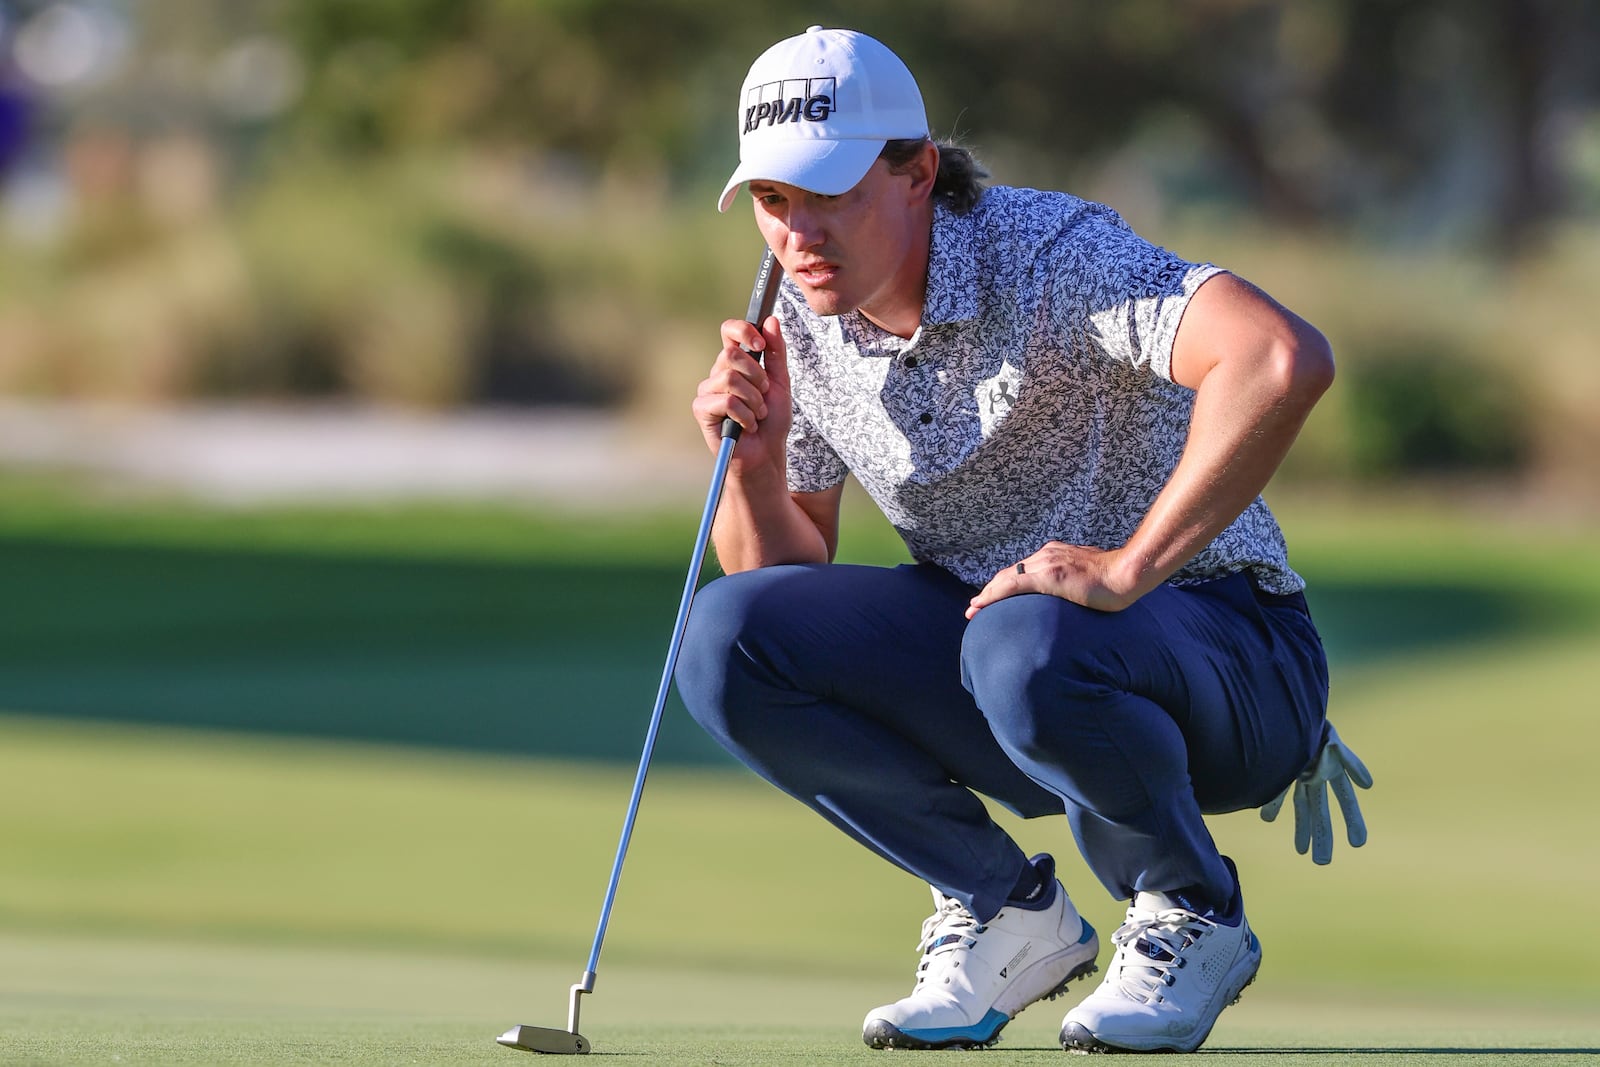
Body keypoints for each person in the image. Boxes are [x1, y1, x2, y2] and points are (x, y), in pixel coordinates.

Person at [675, 25, 1372, 1054]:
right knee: (724, 634)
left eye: (828, 193)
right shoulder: (802, 315)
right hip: (1008, 660)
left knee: (1024, 634)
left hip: (1231, 656)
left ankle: (1192, 911)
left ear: (917, 174)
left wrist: (1128, 569)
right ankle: (1005, 909)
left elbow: (1278, 357)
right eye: (774, 201)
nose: (798, 233)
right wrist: (753, 461)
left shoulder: (1050, 254)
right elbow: (784, 589)